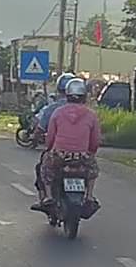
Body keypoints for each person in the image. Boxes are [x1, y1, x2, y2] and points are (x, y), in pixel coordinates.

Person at [32, 77, 100, 211]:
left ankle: (48, 196)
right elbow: (95, 140)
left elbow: (50, 137)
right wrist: (90, 153)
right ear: (84, 96)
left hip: (60, 155)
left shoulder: (57, 112)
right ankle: (89, 196)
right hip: (82, 156)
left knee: (45, 168)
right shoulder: (91, 115)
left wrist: (49, 149)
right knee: (93, 171)